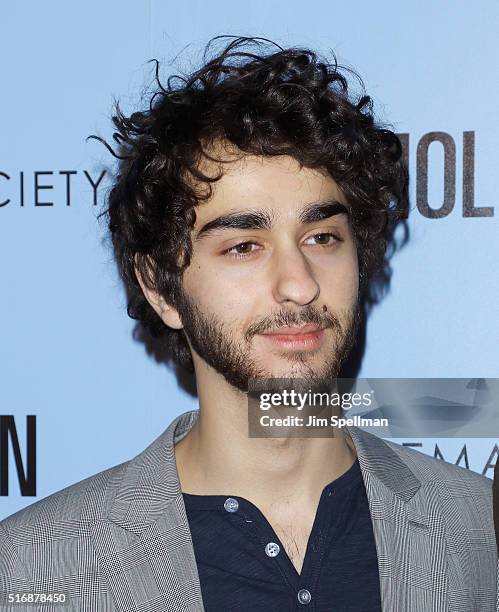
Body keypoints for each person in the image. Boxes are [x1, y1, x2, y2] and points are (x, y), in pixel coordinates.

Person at [0, 36, 496, 612]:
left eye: (322, 237)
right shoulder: (35, 569)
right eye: (243, 246)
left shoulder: (479, 529)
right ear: (160, 287)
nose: (300, 283)